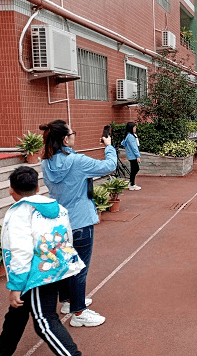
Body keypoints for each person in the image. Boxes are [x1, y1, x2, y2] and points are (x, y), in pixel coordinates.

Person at [0, 166, 83, 356]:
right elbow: (67, 238)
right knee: (15, 318)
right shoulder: (58, 208)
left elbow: (21, 251)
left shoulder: (20, 212)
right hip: (56, 268)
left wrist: (16, 286)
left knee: (45, 321)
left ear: (11, 189)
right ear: (37, 188)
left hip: (36, 276)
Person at [40, 120, 116, 327]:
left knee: (66, 264)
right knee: (79, 268)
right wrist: (109, 146)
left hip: (59, 222)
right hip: (80, 221)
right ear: (65, 139)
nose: (74, 136)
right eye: (72, 133)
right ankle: (79, 312)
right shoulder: (77, 161)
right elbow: (109, 166)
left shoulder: (45, 162)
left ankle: (67, 301)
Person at [121, 122, 141, 190]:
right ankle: (132, 184)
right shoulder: (131, 137)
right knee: (135, 169)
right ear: (131, 128)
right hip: (133, 156)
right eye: (134, 127)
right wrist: (138, 156)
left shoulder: (128, 136)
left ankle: (131, 183)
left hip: (130, 155)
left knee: (134, 169)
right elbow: (134, 147)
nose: (135, 128)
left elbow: (123, 143)